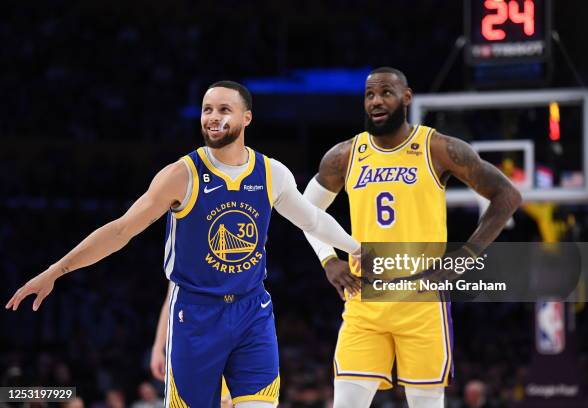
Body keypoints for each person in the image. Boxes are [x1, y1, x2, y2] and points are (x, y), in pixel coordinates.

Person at [6, 81, 361, 408]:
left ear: (246, 117)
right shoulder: (182, 174)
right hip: (195, 314)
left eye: (224, 109)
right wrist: (56, 270)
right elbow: (121, 230)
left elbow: (312, 220)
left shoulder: (271, 173)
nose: (213, 117)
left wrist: (355, 247)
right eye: (207, 109)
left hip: (252, 310)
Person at [303, 67, 521, 408]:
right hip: (365, 301)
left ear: (406, 97)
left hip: (421, 300)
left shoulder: (438, 148)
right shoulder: (344, 155)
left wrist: (465, 256)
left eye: (386, 93)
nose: (376, 101)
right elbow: (305, 210)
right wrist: (328, 259)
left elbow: (507, 195)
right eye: (370, 95)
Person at [150, 282, 232, 407]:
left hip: (224, 335)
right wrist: (158, 347)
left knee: (226, 401)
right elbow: (171, 299)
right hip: (189, 340)